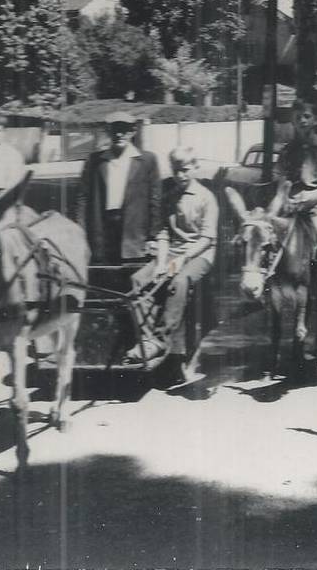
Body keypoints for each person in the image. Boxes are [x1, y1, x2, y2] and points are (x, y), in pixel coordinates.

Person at [123, 147, 218, 383]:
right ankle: (147, 342)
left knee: (179, 280)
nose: (181, 175)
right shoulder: (171, 196)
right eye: (176, 171)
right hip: (172, 252)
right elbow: (164, 233)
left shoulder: (207, 198)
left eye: (185, 170)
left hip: (199, 254)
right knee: (138, 280)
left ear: (195, 168)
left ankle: (161, 338)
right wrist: (160, 263)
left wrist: (182, 260)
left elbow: (207, 238)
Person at [268, 97, 317, 298]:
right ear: (293, 121)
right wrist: (280, 204)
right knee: (269, 240)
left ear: (315, 121)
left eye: (307, 117)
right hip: (291, 205)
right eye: (298, 117)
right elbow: (281, 183)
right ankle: (265, 285)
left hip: (315, 206)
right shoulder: (287, 151)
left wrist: (312, 197)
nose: (302, 121)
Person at [77, 112, 162, 267]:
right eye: (115, 129)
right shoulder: (95, 161)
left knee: (133, 280)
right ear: (108, 131)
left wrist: (153, 236)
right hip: (103, 232)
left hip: (135, 233)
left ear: (133, 131)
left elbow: (155, 200)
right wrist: (80, 231)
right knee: (105, 279)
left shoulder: (147, 160)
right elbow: (83, 198)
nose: (119, 134)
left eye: (125, 129)